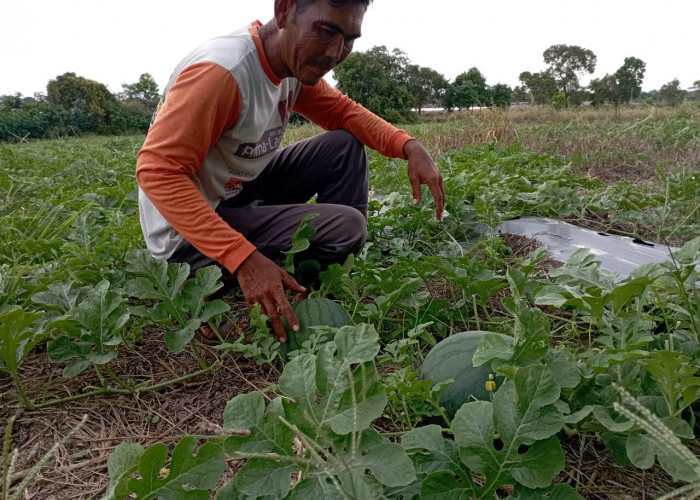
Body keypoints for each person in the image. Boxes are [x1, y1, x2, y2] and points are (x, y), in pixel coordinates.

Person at [136, 0, 445, 343]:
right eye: (326, 30)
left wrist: (409, 146)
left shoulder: (289, 65)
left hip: (238, 193)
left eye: (349, 38)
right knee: (347, 226)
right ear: (284, 11)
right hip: (188, 236)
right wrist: (243, 258)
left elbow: (343, 113)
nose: (334, 52)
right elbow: (158, 173)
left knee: (343, 145)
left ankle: (322, 274)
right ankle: (217, 274)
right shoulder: (223, 73)